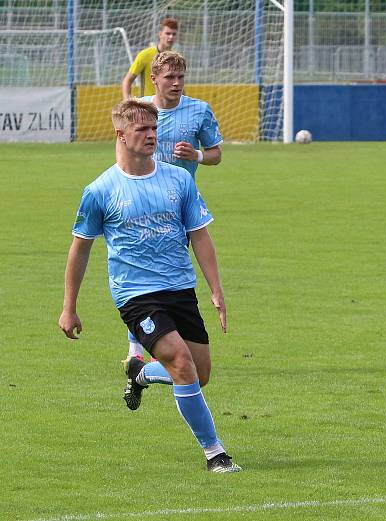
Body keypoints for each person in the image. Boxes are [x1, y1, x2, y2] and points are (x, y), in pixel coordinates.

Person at [58, 99, 241, 473]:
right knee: (181, 362)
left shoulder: (178, 179)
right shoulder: (101, 190)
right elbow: (80, 249)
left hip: (180, 288)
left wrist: (216, 289)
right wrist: (69, 306)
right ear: (121, 135)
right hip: (136, 295)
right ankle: (215, 453)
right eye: (142, 130)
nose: (151, 136)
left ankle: (141, 374)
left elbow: (200, 236)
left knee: (199, 375)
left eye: (154, 129)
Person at [122, 50, 223, 362]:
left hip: (180, 205)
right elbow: (124, 152)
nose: (177, 83)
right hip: (141, 203)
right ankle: (137, 349)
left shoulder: (199, 111)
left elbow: (216, 153)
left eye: (181, 77)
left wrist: (197, 156)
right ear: (154, 79)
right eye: (170, 77)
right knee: (142, 270)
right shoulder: (138, 110)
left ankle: (155, 342)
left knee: (168, 273)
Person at [121, 18, 179, 99]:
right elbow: (127, 80)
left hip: (169, 107)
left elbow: (179, 83)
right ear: (160, 34)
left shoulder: (176, 58)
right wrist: (126, 101)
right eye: (168, 33)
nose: (171, 37)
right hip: (149, 107)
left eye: (174, 34)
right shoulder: (145, 55)